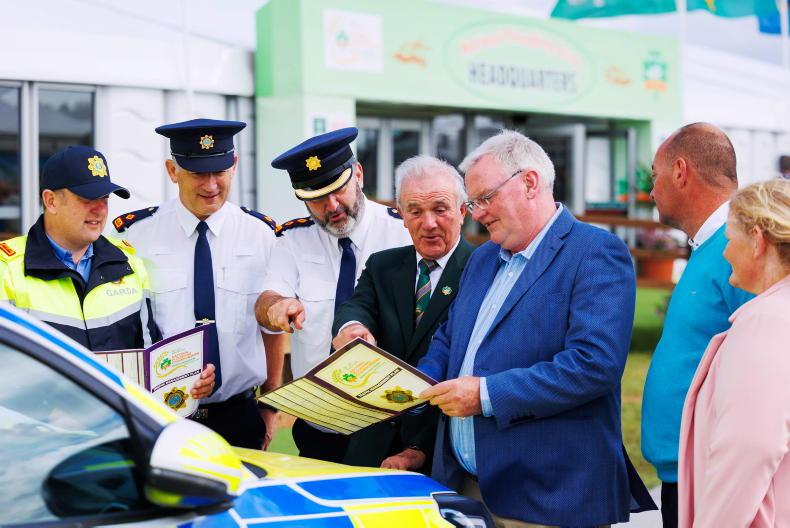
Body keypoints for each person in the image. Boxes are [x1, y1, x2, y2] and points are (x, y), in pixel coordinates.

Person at [417, 130, 655, 527]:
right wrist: (415, 378)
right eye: (472, 203)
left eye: (485, 199)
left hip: (549, 498)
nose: (476, 214)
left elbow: (593, 364)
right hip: (467, 489)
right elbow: (450, 336)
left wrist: (486, 395)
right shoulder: (483, 259)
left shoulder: (596, 251)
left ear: (529, 182)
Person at [113, 119, 284, 450]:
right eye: (197, 173)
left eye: (219, 171)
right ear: (172, 170)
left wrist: (270, 405)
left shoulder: (262, 235)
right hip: (161, 416)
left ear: (234, 165)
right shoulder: (134, 237)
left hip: (238, 415)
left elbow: (272, 331)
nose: (210, 185)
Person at [255, 127, 411, 463]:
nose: (332, 206)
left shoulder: (403, 234)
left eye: (338, 191)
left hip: (387, 425)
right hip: (318, 426)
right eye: (316, 199)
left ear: (358, 174)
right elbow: (266, 299)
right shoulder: (293, 241)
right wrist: (277, 307)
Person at [641, 123, 754, 527]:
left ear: (681, 171)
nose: (651, 191)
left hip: (710, 476)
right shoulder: (715, 245)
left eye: (655, 175)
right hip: (688, 472)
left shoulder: (741, 249)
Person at [331, 155, 473, 473]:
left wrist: (418, 448)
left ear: (462, 211)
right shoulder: (383, 265)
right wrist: (353, 329)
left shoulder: (483, 271)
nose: (429, 223)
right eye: (415, 211)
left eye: (440, 209)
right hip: (371, 450)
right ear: (402, 216)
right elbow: (357, 307)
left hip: (442, 455)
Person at [677, 179, 790, 527]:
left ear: (757, 240)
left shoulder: (765, 322)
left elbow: (750, 449)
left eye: (729, 238)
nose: (725, 253)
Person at [0, 146, 171, 356]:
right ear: (50, 201)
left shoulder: (129, 264)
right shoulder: (6, 271)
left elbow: (151, 362)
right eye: (87, 199)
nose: (100, 209)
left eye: (105, 198)